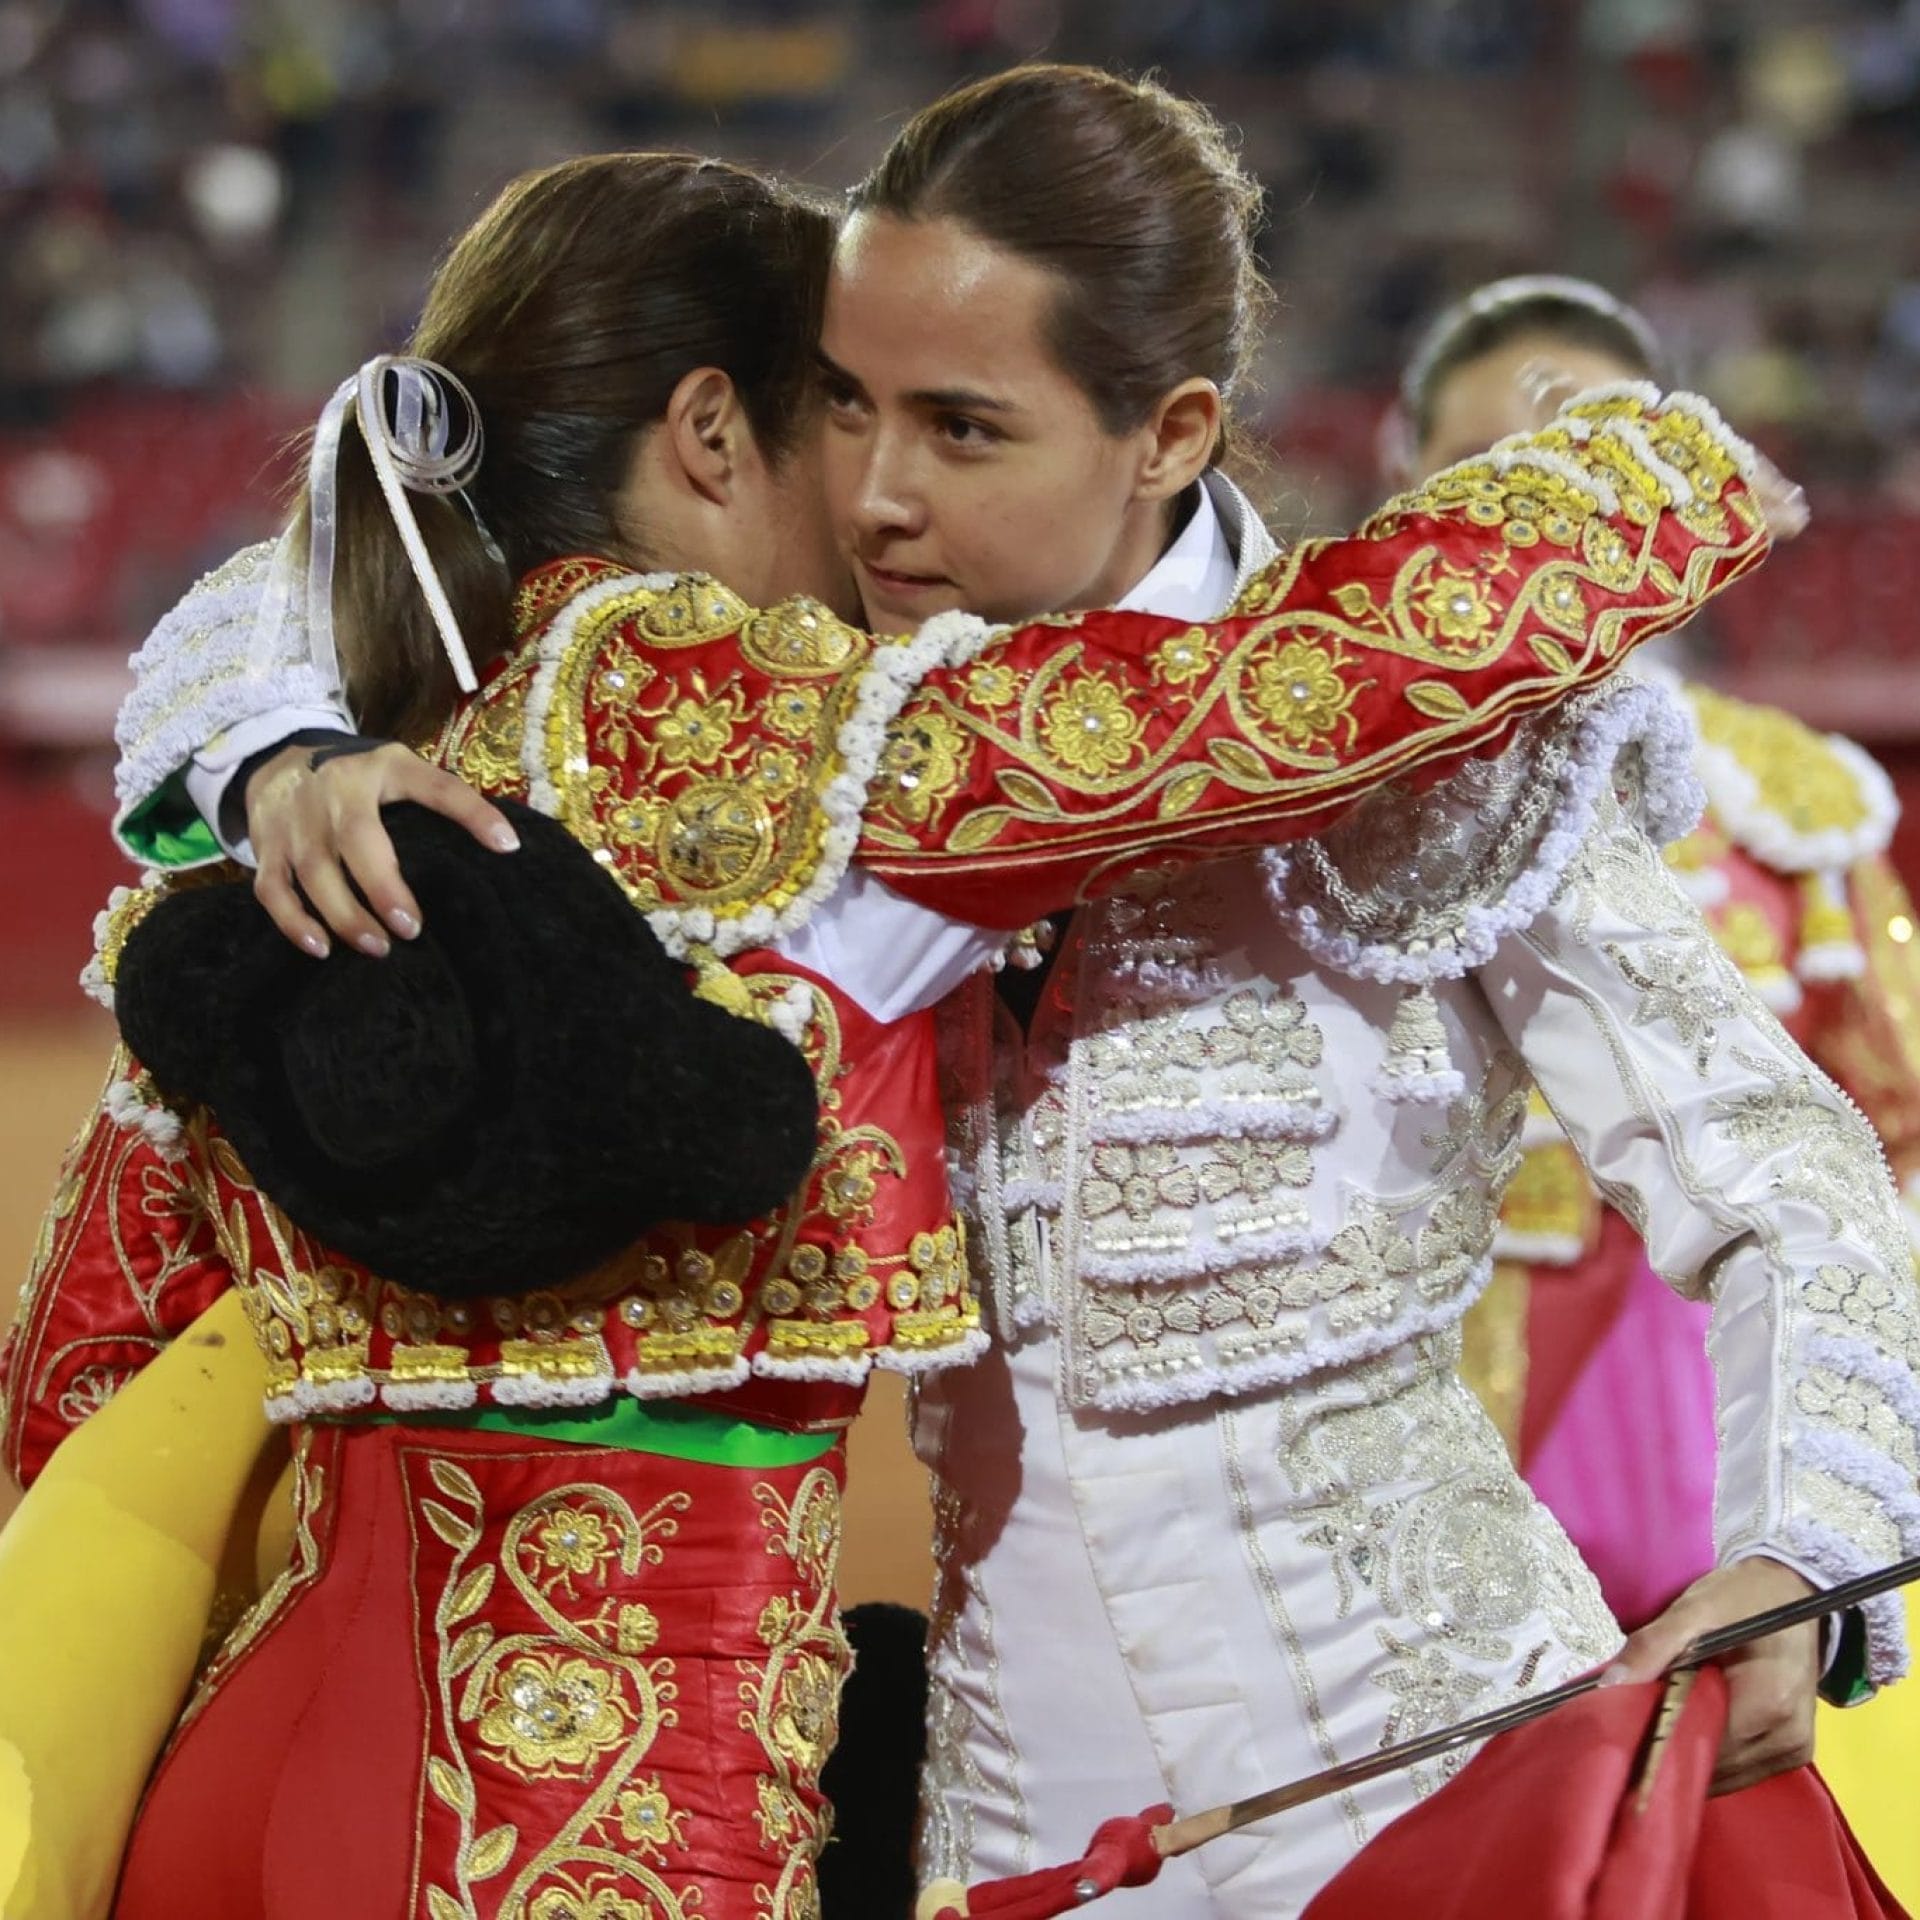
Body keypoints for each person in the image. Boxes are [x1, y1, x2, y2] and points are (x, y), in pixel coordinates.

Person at [0, 101, 1761, 1920]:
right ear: (706, 433)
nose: (882, 497)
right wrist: (1647, 475)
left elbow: (80, 1383)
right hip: (595, 1802)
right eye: (835, 412)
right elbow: (1293, 694)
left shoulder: (302, 790)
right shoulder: (781, 730)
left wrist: (274, 727)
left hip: (244, 1757)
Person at [1399, 271, 1920, 1913]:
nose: (1539, 521)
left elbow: (1883, 1131)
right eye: (1487, 474)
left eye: (1590, 463)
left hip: (1699, 1429)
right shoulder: (1328, 794)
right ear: (1410, 484)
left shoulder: (1791, 805)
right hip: (1417, 1403)